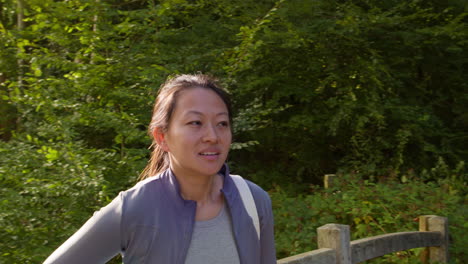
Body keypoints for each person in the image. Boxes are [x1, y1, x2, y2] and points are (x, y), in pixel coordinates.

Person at [43, 74, 276, 264]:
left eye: (222, 124)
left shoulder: (253, 200)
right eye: (196, 123)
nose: (212, 136)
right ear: (162, 136)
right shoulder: (136, 207)